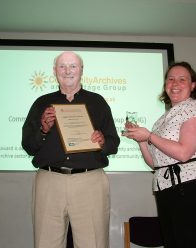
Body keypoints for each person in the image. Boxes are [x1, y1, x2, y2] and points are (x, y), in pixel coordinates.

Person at [22, 51, 120, 248]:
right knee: (45, 242)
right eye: (62, 66)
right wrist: (43, 130)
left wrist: (102, 141)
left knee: (93, 242)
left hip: (89, 181)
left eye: (73, 66)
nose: (68, 71)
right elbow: (28, 146)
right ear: (54, 71)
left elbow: (113, 143)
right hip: (49, 181)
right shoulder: (41, 103)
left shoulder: (98, 102)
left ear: (81, 70)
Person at [123, 61, 196, 248]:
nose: (175, 84)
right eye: (170, 79)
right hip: (167, 189)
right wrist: (142, 140)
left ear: (193, 85)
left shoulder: (195, 108)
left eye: (182, 79)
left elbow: (184, 153)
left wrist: (150, 136)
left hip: (194, 187)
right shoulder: (163, 119)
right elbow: (155, 164)